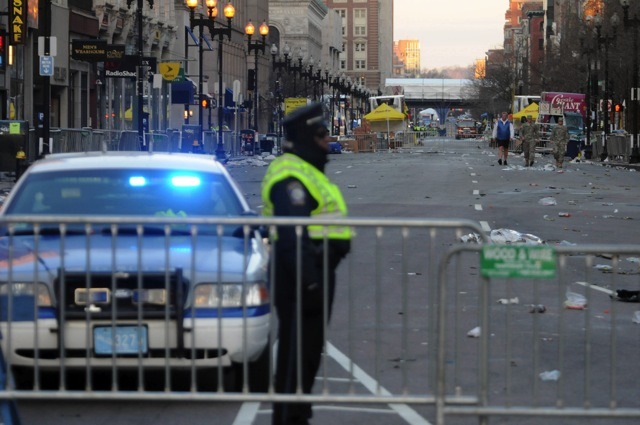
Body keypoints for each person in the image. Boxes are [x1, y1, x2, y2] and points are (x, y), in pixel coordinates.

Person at [261, 103, 352, 425]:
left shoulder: (305, 170)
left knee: (306, 354)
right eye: (322, 134)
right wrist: (309, 280)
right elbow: (290, 237)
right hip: (301, 274)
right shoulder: (291, 176)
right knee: (298, 355)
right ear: (305, 137)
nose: (328, 140)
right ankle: (289, 417)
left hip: (312, 270)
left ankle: (296, 414)